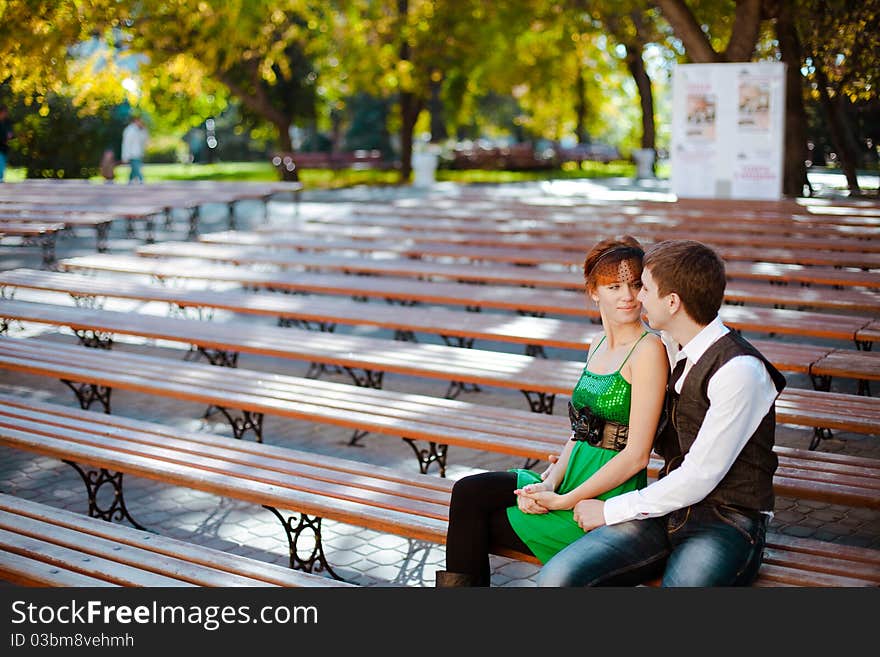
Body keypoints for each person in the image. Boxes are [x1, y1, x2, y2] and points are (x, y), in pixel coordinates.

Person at [537, 239, 787, 587]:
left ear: (672, 302)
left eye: (645, 288)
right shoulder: (671, 346)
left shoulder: (739, 370)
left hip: (727, 521)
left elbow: (700, 476)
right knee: (557, 579)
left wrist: (609, 509)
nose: (636, 298)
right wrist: (570, 459)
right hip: (667, 508)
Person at [436, 236, 669, 586]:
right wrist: (549, 482)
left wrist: (562, 501)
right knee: (469, 491)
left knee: (477, 523)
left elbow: (636, 456)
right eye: (614, 286)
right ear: (594, 292)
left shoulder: (648, 349)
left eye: (636, 285)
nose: (628, 296)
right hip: (570, 476)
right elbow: (582, 430)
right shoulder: (598, 343)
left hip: (603, 496)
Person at [121, 115, 148, 184]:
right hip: (132, 154)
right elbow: (126, 144)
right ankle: (142, 182)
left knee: (133, 171)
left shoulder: (140, 130)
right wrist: (125, 156)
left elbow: (144, 140)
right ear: (136, 120)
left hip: (138, 154)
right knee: (137, 170)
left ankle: (129, 183)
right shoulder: (130, 130)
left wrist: (144, 130)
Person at [0, 105, 13, 183]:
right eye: (4, 112)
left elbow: (10, 132)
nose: (6, 114)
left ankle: (1, 179)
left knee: (3, 163)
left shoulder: (7, 121)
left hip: (4, 147)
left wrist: (10, 135)